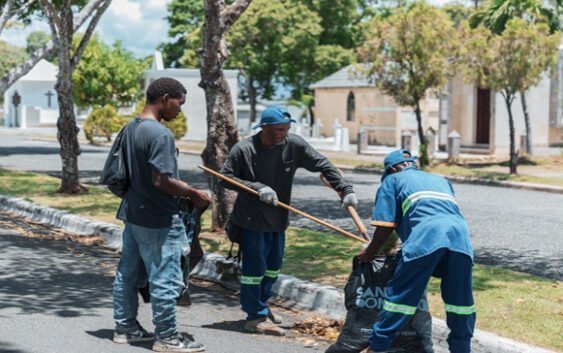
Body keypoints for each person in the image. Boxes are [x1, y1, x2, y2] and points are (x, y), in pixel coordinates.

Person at [221, 105, 358, 336]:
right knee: (255, 270)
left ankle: (262, 306)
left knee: (273, 269)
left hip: (278, 219)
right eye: (278, 130)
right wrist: (257, 188)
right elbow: (225, 177)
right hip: (251, 220)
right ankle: (254, 317)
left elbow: (322, 164)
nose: (283, 134)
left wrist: (345, 189)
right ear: (264, 128)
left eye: (286, 129)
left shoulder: (293, 145)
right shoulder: (244, 150)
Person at [112, 77, 211, 353]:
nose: (180, 109)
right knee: (164, 279)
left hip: (133, 213)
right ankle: (167, 338)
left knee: (127, 274)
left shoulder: (132, 127)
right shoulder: (160, 134)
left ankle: (125, 328)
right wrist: (194, 194)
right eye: (179, 102)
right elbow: (162, 181)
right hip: (158, 218)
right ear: (165, 98)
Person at [357, 149, 475, 353]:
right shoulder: (439, 180)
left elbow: (385, 225)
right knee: (460, 302)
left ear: (392, 169)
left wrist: (370, 252)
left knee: (401, 297)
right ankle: (462, 348)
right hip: (460, 239)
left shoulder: (392, 181)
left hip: (426, 238)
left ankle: (378, 347)